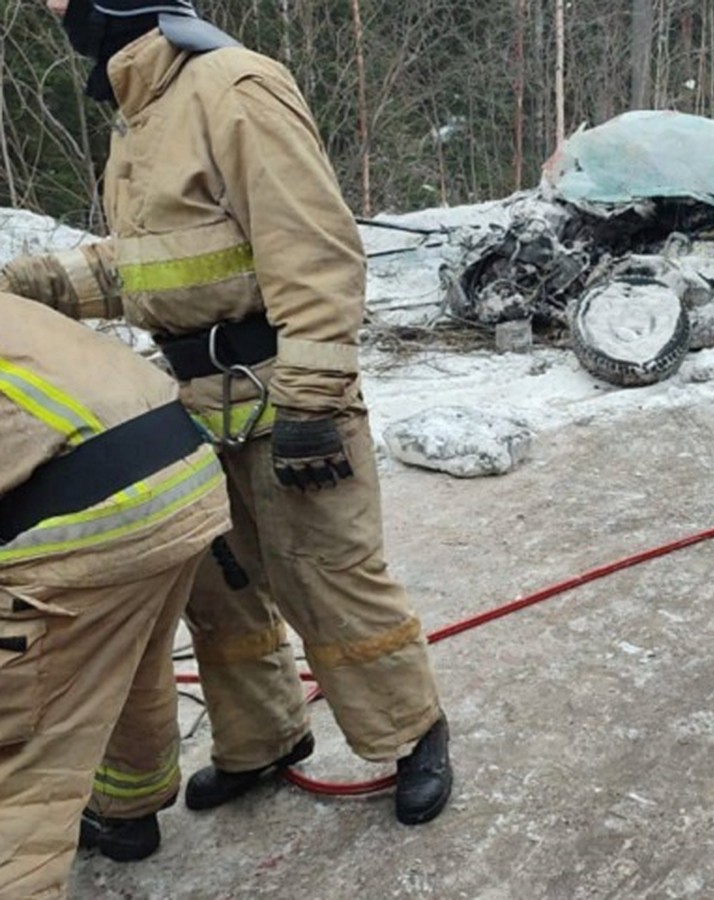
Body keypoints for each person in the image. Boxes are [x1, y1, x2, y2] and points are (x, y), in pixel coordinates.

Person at [7, 0, 453, 853]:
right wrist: (25, 284)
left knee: (326, 574)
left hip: (283, 387)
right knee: (223, 593)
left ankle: (411, 732)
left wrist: (314, 404)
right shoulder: (142, 117)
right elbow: (153, 267)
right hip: (196, 398)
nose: (57, 15)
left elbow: (313, 246)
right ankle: (264, 740)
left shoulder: (232, 87)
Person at [0, 293, 231, 897]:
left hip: (82, 519)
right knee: (127, 662)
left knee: (22, 762)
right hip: (184, 477)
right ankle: (127, 812)